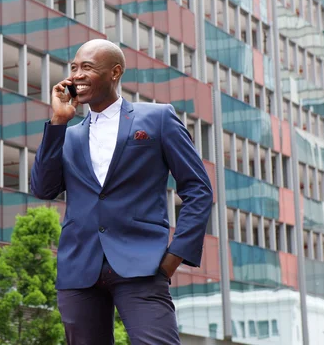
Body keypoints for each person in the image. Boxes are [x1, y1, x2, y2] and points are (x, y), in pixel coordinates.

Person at [30, 39, 213, 345]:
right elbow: (43, 188)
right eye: (74, 67)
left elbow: (198, 189)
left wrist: (174, 257)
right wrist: (59, 120)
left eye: (87, 67)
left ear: (114, 72)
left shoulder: (157, 119)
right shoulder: (69, 135)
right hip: (79, 268)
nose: (76, 75)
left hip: (142, 263)